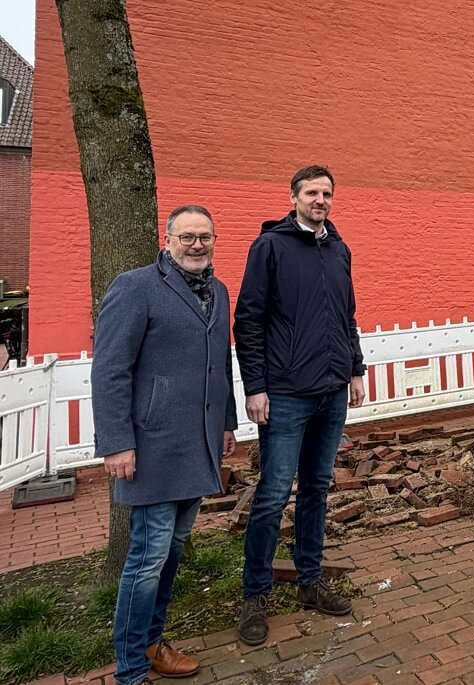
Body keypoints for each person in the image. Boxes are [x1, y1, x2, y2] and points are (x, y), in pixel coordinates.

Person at [92, 206, 237, 685]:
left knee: (172, 549)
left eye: (205, 237)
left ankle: (153, 643)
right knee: (148, 557)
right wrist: (117, 442)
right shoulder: (135, 287)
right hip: (152, 446)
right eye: (187, 236)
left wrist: (226, 423)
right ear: (168, 239)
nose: (197, 245)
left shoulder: (218, 291)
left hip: (198, 444)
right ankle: (131, 668)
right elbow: (110, 368)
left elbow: (220, 362)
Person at [234, 165, 366, 646]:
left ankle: (310, 581)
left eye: (327, 193)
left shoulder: (339, 249)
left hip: (332, 391)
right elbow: (248, 319)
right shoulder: (270, 247)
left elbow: (346, 315)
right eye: (311, 192)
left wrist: (355, 368)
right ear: (293, 197)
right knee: (272, 496)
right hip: (286, 393)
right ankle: (255, 596)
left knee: (315, 490)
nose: (320, 200)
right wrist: (256, 386)